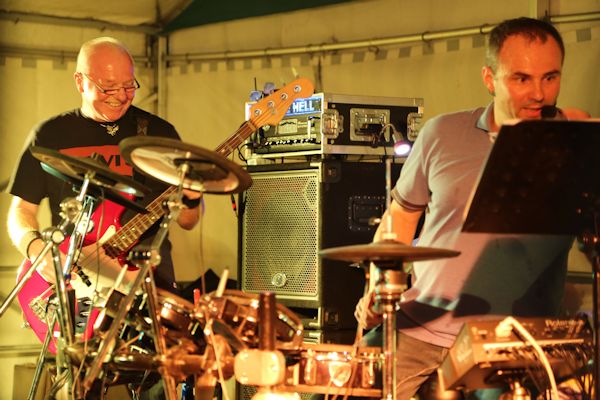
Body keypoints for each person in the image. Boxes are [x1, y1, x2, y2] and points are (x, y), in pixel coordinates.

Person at [355, 17, 591, 399]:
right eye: (521, 79)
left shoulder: (576, 141)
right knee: (340, 387)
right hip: (421, 322)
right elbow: (400, 216)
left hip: (513, 339)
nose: (539, 94)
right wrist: (381, 279)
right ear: (489, 78)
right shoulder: (441, 133)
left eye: (550, 78)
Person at [6, 37, 202, 398]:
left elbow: (189, 221)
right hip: (77, 289)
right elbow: (20, 212)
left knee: (161, 384)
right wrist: (38, 252)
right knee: (81, 386)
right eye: (109, 87)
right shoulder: (51, 135)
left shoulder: (158, 134)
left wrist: (192, 197)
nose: (121, 96)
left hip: (148, 288)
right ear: (80, 82)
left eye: (129, 86)